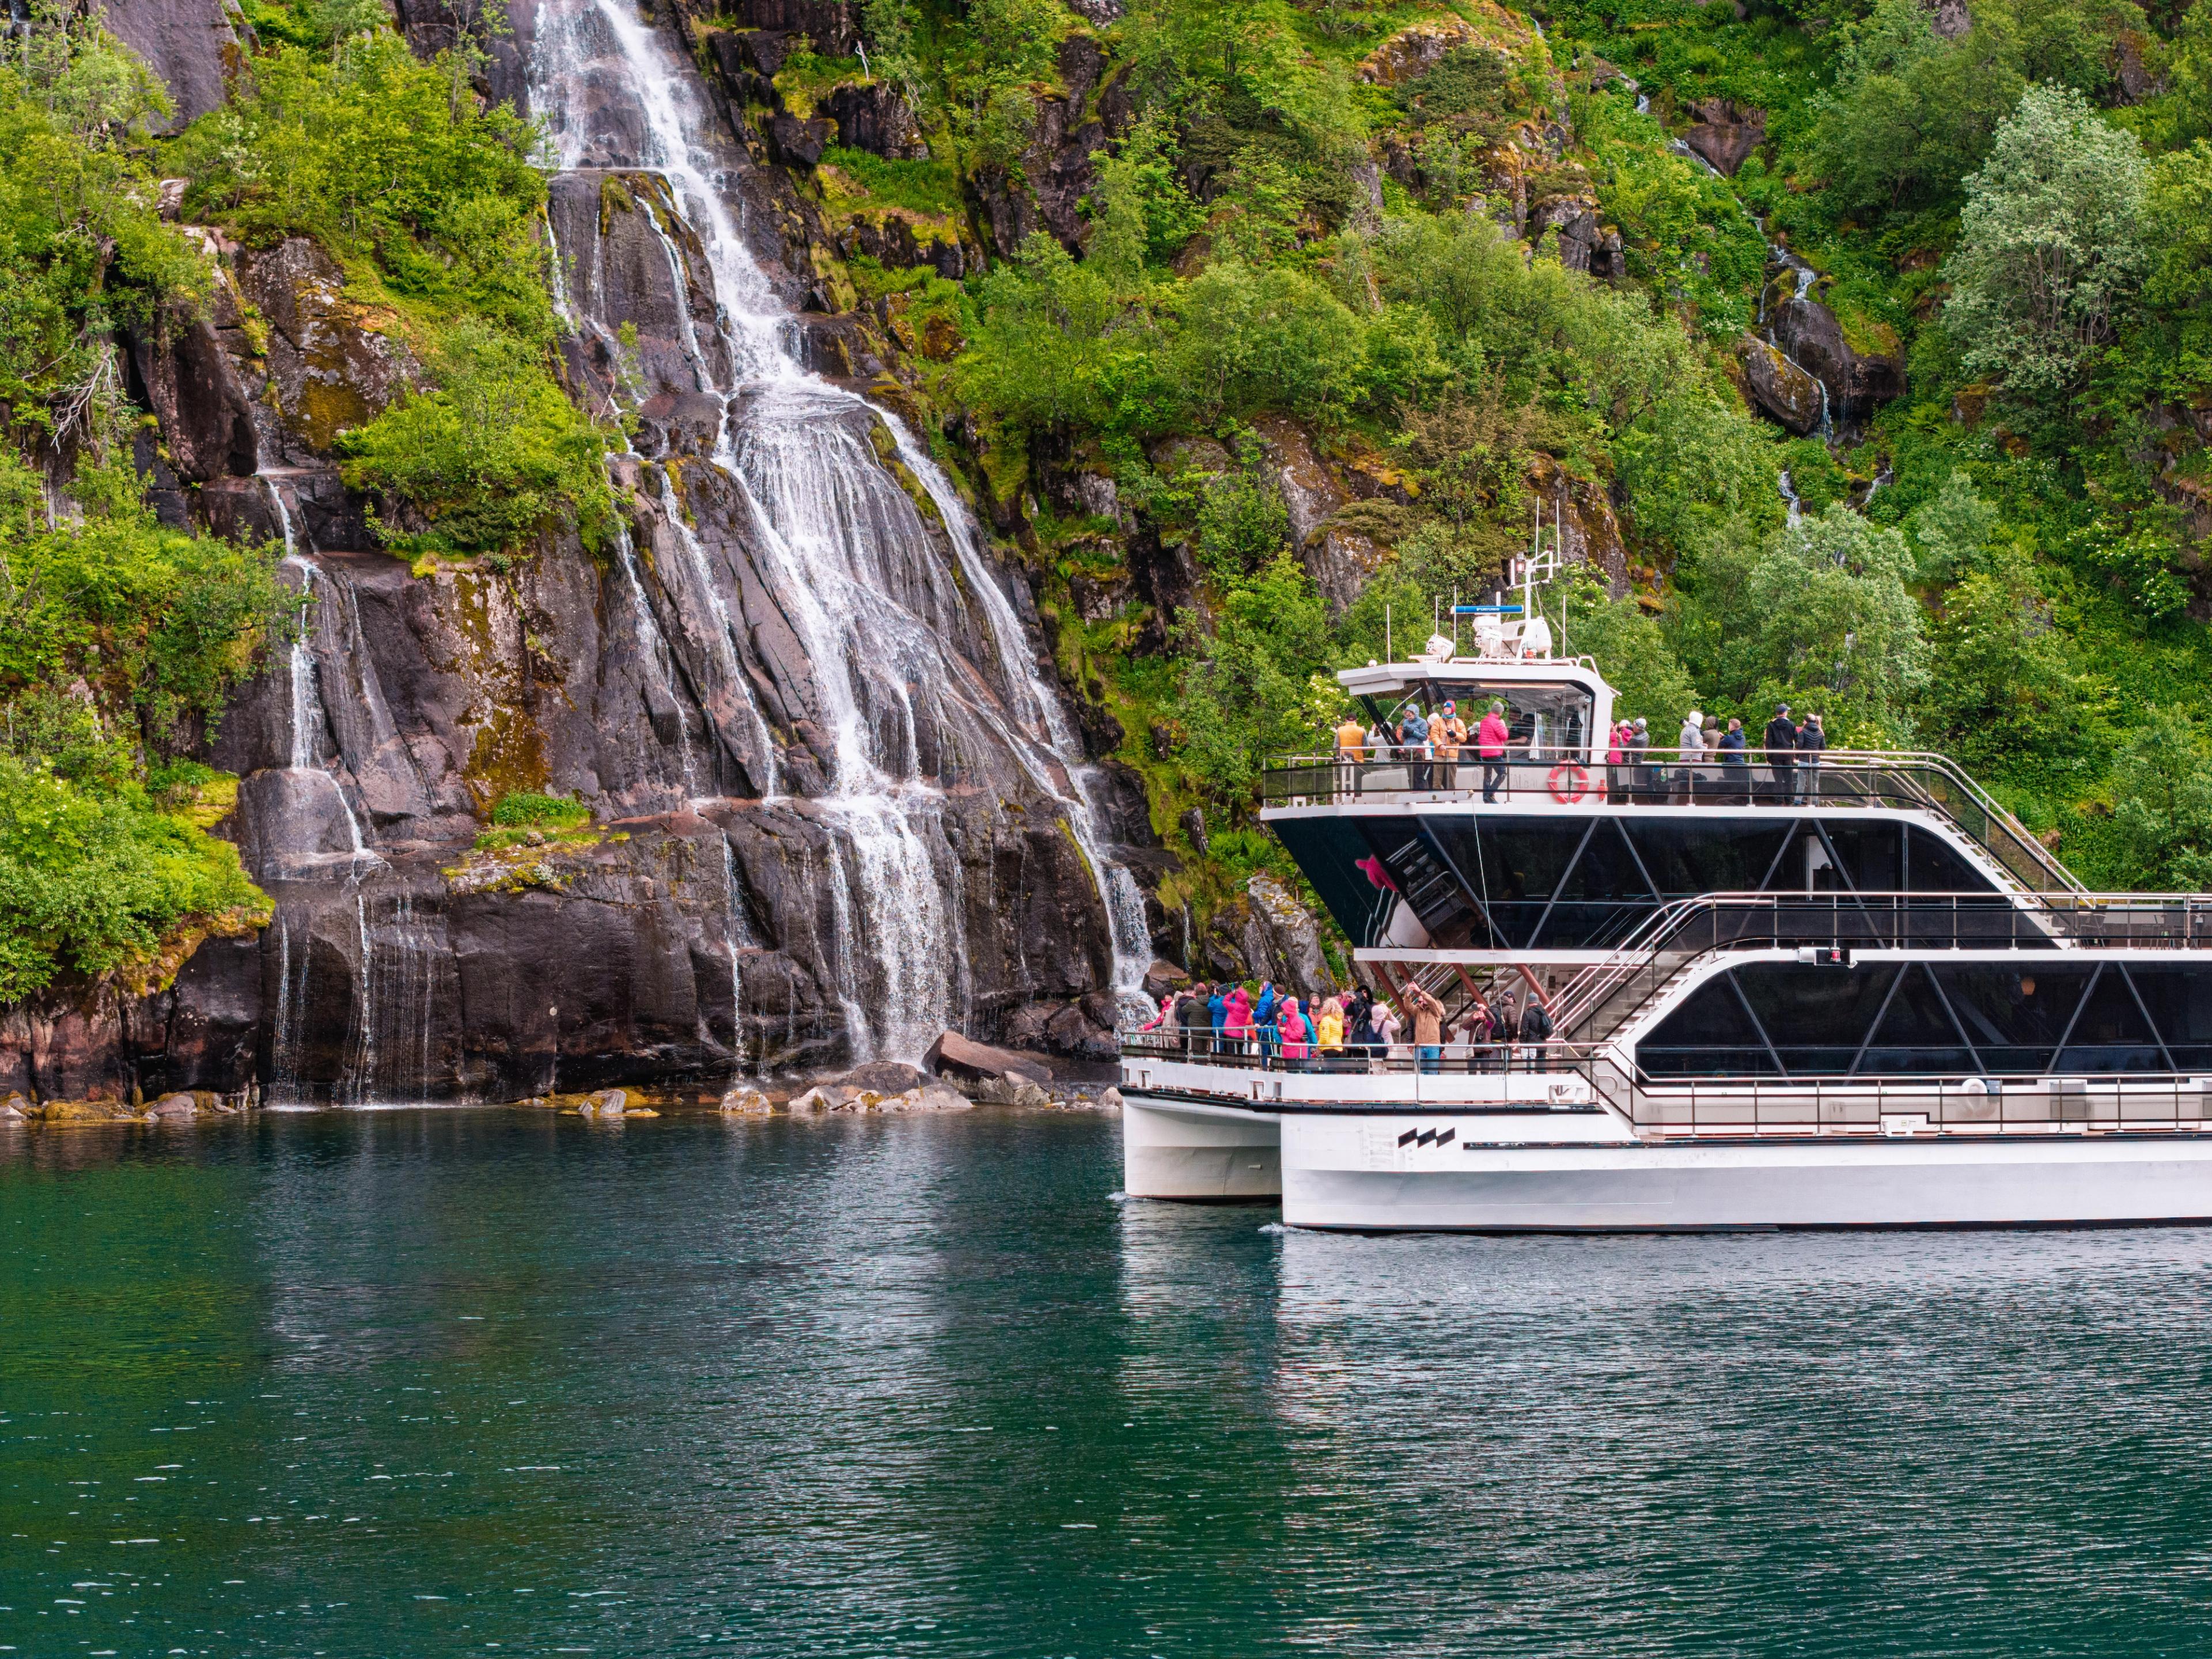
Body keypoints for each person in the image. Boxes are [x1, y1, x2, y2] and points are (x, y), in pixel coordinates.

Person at [1407, 982, 1446, 1074]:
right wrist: (1408, 992)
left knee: (1432, 1073)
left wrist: (1420, 991)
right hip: (1420, 1046)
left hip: (1432, 1046)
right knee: (1423, 1074)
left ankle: (1433, 1089)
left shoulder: (1436, 1011)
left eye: (1425, 998)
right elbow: (1408, 1006)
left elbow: (1432, 1002)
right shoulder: (1419, 1011)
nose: (1423, 1000)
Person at [1478, 699, 1511, 803]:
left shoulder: (1484, 721)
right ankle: (1490, 794)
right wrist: (1504, 725)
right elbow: (1504, 737)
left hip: (1485, 752)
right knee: (1503, 773)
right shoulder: (1497, 722)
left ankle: (1486, 798)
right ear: (1500, 712)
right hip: (1494, 752)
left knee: (1488, 775)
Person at [1763, 704, 1798, 804]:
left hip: (1776, 755)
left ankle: (1779, 800)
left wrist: (1769, 756)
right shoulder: (1791, 724)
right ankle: (1790, 800)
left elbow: (1769, 742)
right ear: (1784, 713)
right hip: (1788, 755)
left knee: (1778, 780)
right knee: (1789, 779)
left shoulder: (1771, 724)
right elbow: (1797, 739)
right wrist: (1796, 753)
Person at [1432, 700, 1465, 794]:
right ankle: (1437, 799)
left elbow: (1464, 737)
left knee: (1451, 778)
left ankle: (1452, 798)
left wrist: (1455, 734)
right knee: (1437, 779)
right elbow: (1434, 734)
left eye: (1448, 708)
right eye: (1445, 708)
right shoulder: (1438, 721)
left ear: (1452, 709)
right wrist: (1440, 744)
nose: (1446, 709)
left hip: (1452, 755)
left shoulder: (1458, 722)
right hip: (1439, 754)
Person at [1335, 710, 1368, 797]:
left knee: (1345, 782)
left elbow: (1336, 746)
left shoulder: (1340, 730)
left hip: (1344, 761)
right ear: (1356, 721)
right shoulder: (1362, 730)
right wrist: (1363, 755)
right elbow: (1366, 747)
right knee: (1357, 783)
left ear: (1346, 720)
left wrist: (1339, 757)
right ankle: (1357, 800)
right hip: (1358, 761)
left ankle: (1345, 799)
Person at [1399, 703, 1432, 792]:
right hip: (1408, 750)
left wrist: (1413, 732)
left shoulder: (1422, 722)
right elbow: (1403, 737)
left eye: (1410, 715)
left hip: (1418, 750)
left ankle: (1421, 794)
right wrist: (1404, 734)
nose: (1409, 717)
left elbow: (1424, 737)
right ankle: (1413, 792)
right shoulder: (1406, 722)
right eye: (1407, 715)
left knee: (1419, 775)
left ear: (1415, 713)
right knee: (1410, 775)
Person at [1796, 711, 1827, 805]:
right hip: (1815, 761)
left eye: (1804, 721)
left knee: (1801, 782)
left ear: (1807, 721)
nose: (1803, 722)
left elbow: (1799, 746)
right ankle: (1814, 802)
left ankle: (1797, 802)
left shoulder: (1803, 732)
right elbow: (1823, 748)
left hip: (1804, 760)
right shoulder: (1820, 732)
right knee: (1815, 783)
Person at [1718, 716, 1749, 805]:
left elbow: (1720, 746)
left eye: (1729, 725)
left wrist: (1722, 738)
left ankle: (1734, 802)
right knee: (1739, 784)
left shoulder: (1729, 738)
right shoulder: (1743, 737)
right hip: (1741, 764)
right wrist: (1725, 737)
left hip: (1731, 765)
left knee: (1732, 784)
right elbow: (1733, 741)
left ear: (1731, 727)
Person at [1676, 709, 1705, 804]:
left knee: (1684, 783)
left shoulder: (1685, 729)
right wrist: (1705, 749)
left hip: (1684, 758)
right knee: (1692, 783)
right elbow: (1696, 746)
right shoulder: (1694, 731)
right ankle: (1692, 802)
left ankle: (1682, 802)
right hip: (1692, 759)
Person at [1520, 993, 1553, 1071]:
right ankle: (1542, 1083)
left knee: (1529, 1070)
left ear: (1529, 1002)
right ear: (1537, 1002)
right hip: (1542, 1044)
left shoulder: (1527, 1013)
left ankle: (1530, 1083)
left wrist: (1522, 1045)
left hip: (1531, 1045)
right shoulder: (1544, 1012)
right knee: (1541, 1070)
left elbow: (1524, 1031)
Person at [1178, 982, 1211, 1056]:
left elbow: (1183, 1010)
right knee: (1204, 1050)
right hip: (1206, 1030)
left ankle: (1199, 1065)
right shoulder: (1210, 1002)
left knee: (1197, 1051)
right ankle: (1204, 1064)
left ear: (1195, 993)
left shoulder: (1192, 1003)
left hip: (1196, 1031)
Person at [1627, 717, 1651, 804]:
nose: (1632, 726)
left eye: (1634, 726)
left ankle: (1634, 801)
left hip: (1632, 763)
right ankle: (1641, 800)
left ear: (1638, 728)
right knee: (1638, 783)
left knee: (1632, 784)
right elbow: (1635, 730)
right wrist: (1626, 726)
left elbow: (1624, 752)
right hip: (1639, 762)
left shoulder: (1635, 739)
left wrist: (1619, 741)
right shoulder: (1646, 734)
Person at [1278, 997, 1309, 1063]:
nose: (1283, 1011)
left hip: (1296, 1054)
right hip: (1290, 1052)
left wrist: (1286, 1031)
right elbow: (1280, 1031)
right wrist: (1280, 1021)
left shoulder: (1298, 1020)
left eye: (1283, 1009)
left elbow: (1298, 1035)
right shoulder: (1289, 1019)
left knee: (1295, 1072)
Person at [1494, 991, 1519, 1071]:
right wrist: (1515, 1036)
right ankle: (1507, 1075)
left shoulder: (1493, 1007)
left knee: (1495, 1063)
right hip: (1506, 1039)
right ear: (1511, 999)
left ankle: (1495, 1078)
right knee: (1507, 1062)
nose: (1513, 1002)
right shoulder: (1510, 1009)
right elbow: (1513, 1023)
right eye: (1513, 1000)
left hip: (1493, 1039)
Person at [1254, 982, 1279, 1061]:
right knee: (1272, 1051)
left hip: (1264, 1029)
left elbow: (1262, 1013)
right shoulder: (1273, 997)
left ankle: (1264, 1069)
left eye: (1261, 986)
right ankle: (1272, 1069)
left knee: (1264, 1052)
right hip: (1272, 1028)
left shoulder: (1264, 999)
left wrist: (1253, 1014)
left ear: (1265, 988)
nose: (1259, 988)